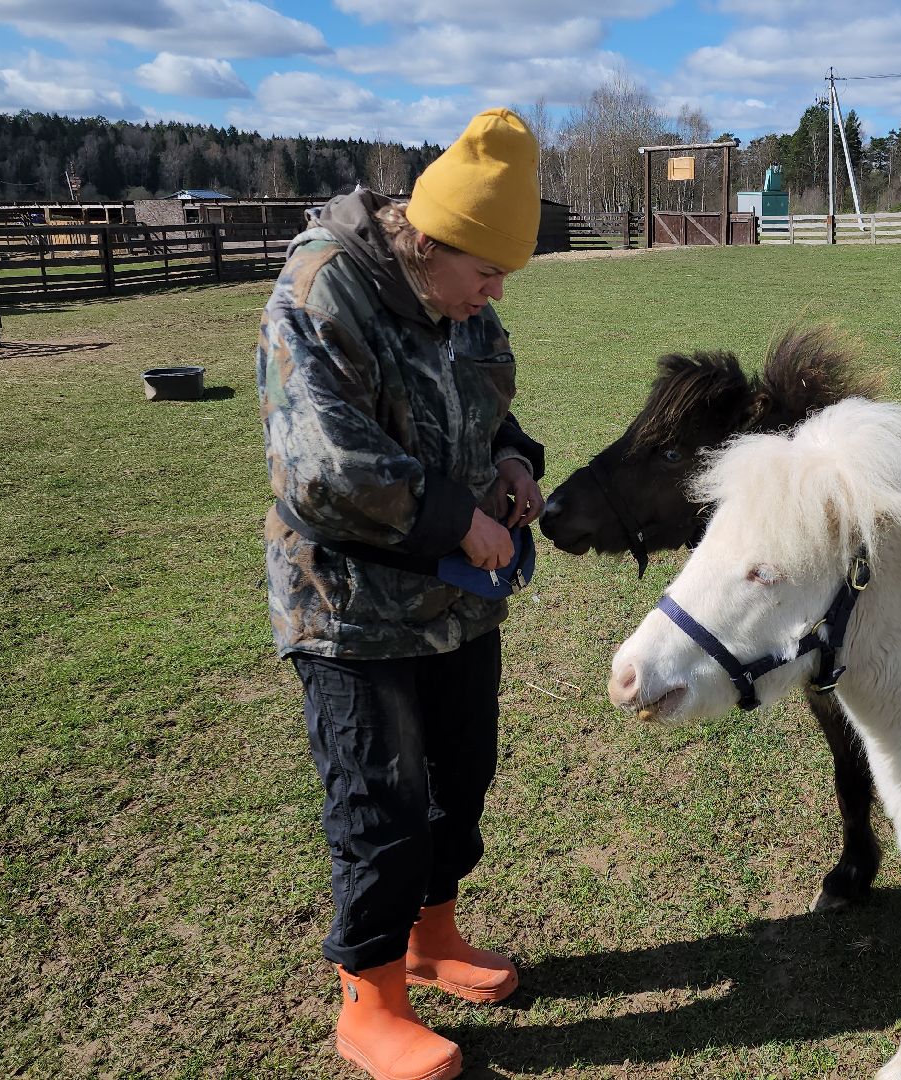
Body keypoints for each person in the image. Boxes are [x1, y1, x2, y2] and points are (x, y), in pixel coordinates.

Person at [256, 108, 546, 1080]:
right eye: (488, 273)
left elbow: (491, 402)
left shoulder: (464, 297)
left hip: (456, 605)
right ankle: (369, 1001)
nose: (496, 292)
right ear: (431, 241)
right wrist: (460, 519)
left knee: (460, 779)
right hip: (347, 607)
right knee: (379, 801)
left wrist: (510, 459)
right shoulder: (322, 288)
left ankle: (434, 941)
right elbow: (320, 467)